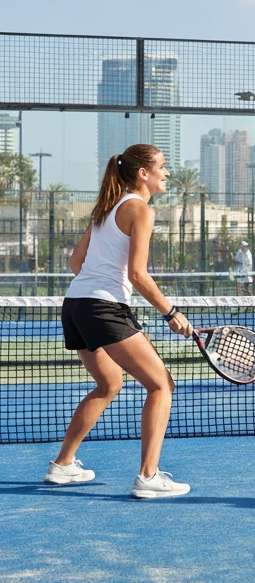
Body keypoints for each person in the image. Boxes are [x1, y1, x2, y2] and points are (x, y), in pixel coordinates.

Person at [44, 144, 194, 499]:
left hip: (76, 305)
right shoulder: (140, 210)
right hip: (101, 308)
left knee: (109, 383)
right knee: (161, 385)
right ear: (143, 173)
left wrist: (100, 287)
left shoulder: (106, 207)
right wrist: (171, 313)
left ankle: (63, 464)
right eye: (162, 166)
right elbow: (138, 275)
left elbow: (75, 260)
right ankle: (148, 476)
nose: (167, 173)